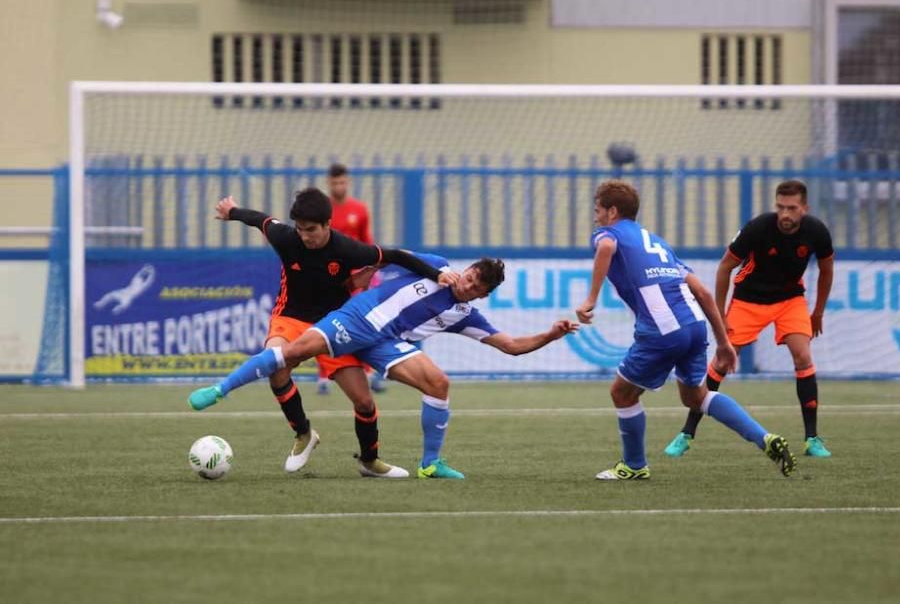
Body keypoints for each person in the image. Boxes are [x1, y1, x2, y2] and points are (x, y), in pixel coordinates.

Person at [189, 256, 579, 479]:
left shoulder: (464, 314)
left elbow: (510, 346)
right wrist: (359, 279)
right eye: (470, 276)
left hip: (384, 344)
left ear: (482, 294)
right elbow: (390, 255)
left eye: (476, 287)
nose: (467, 285)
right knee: (291, 354)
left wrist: (551, 334)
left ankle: (429, 463)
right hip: (356, 319)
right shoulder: (438, 266)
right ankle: (221, 389)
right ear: (468, 269)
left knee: (438, 384)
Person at [204, 187, 458, 478]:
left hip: (336, 325)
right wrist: (232, 212)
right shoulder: (286, 238)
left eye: (311, 229)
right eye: (299, 229)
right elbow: (261, 220)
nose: (304, 235)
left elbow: (396, 256)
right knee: (276, 365)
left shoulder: (347, 249)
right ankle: (303, 434)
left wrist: (437, 275)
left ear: (327, 225)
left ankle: (369, 461)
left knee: (363, 401)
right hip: (291, 316)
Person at [575, 180, 796, 480]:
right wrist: (723, 342)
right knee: (697, 397)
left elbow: (605, 246)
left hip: (663, 330)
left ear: (612, 211)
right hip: (694, 325)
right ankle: (764, 438)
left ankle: (635, 466)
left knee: (622, 394)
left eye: (598, 210)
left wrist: (590, 299)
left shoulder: (608, 233)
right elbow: (703, 294)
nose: (596, 216)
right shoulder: (658, 243)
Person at [665, 179, 834, 459]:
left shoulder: (817, 231)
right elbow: (725, 268)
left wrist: (817, 312)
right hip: (748, 301)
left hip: (790, 300)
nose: (785, 215)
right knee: (721, 360)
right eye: (780, 207)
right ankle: (686, 433)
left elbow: (827, 271)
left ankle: (812, 439)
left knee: (803, 356)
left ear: (804, 208)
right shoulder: (758, 228)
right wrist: (719, 314)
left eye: (792, 208)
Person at [323, 162, 387, 394]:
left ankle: (369, 373)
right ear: (329, 183)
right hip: (330, 276)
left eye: (342, 182)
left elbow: (366, 242)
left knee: (364, 322)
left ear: (347, 182)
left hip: (356, 278)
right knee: (328, 321)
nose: (339, 186)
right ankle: (324, 377)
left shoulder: (359, 209)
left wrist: (371, 270)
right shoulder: (323, 210)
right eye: (335, 182)